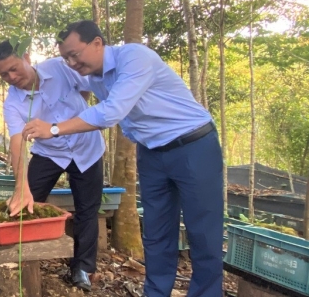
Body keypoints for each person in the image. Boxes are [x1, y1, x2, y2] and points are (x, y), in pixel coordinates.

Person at [21, 20, 223, 297]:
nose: (71, 62)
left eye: (74, 54)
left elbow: (111, 112)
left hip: (193, 145)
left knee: (203, 232)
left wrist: (54, 128)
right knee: (156, 233)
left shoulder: (135, 57)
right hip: (152, 153)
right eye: (66, 57)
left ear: (97, 43)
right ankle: (155, 292)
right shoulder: (96, 78)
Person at [0, 39, 105, 291]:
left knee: (87, 209)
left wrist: (77, 115)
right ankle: (16, 256)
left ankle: (82, 268)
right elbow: (17, 142)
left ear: (27, 58)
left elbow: (86, 87)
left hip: (87, 148)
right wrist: (21, 186)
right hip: (49, 153)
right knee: (25, 203)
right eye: (3, 74)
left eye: (14, 68)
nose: (11, 76)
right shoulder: (13, 103)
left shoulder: (59, 67)